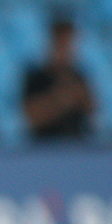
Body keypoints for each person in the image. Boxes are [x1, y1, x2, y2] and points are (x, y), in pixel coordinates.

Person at [20, 14, 96, 143]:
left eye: (70, 43)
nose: (67, 48)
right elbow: (31, 117)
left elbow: (92, 110)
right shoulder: (36, 77)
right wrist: (60, 100)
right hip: (45, 146)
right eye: (63, 42)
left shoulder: (78, 76)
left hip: (76, 146)